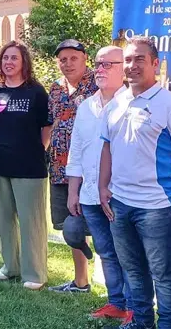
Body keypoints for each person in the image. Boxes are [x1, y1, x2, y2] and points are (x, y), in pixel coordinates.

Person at [99, 36, 171, 329]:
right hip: (119, 203)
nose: (132, 65)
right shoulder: (116, 103)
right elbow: (106, 147)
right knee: (133, 270)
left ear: (155, 64)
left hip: (155, 206)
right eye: (128, 59)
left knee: (162, 273)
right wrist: (104, 187)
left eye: (140, 59)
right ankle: (141, 322)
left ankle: (168, 324)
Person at [66, 46, 133, 322]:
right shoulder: (86, 105)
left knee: (127, 253)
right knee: (106, 251)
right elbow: (77, 150)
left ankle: (133, 307)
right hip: (90, 194)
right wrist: (73, 190)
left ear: (124, 69)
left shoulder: (132, 103)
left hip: (120, 195)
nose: (101, 69)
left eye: (108, 64)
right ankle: (115, 302)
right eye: (98, 64)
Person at [0, 41, 53, 291]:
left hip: (29, 166)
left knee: (30, 220)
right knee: (4, 218)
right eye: (5, 58)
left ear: (24, 62)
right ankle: (10, 266)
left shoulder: (36, 92)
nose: (9, 62)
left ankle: (35, 273)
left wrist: (34, 150)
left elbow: (47, 128)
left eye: (14, 58)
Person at [47, 39, 98, 293]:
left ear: (85, 58)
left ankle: (117, 289)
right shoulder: (55, 89)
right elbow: (49, 124)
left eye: (73, 58)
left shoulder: (99, 85)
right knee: (69, 226)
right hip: (59, 168)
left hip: (92, 171)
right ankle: (81, 281)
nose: (67, 64)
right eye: (63, 59)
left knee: (99, 225)